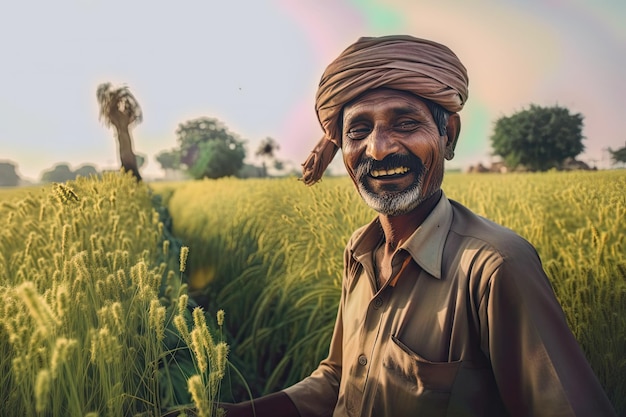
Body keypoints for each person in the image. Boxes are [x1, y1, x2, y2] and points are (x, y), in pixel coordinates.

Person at [212, 35, 618, 416]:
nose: (379, 148)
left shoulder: (494, 268)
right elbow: (340, 377)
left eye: (406, 124)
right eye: (359, 130)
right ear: (344, 148)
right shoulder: (359, 250)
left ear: (448, 136)